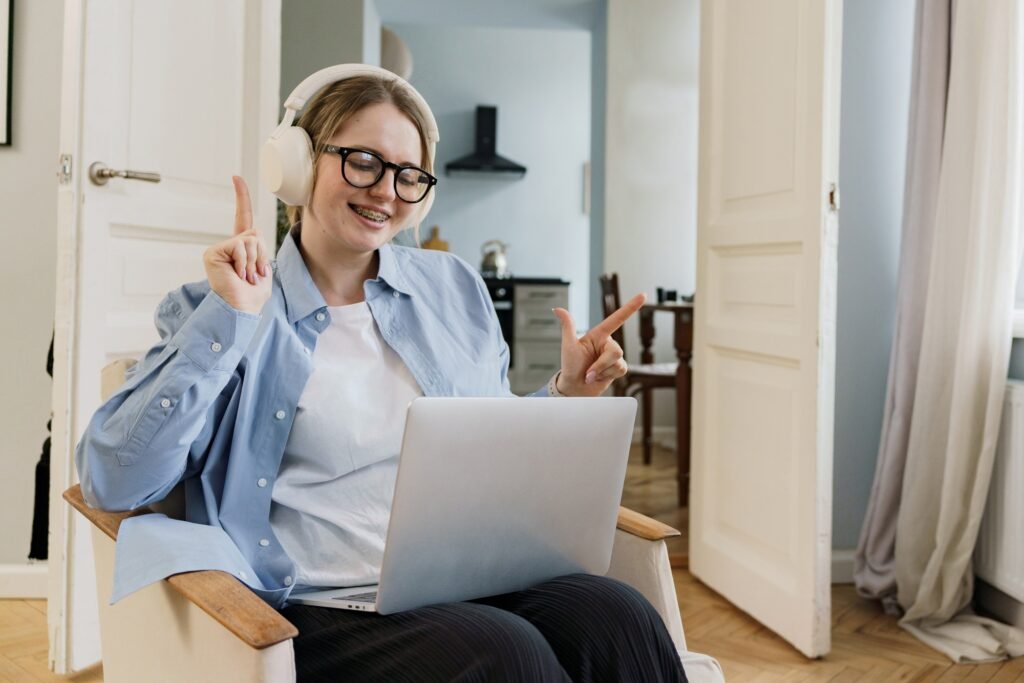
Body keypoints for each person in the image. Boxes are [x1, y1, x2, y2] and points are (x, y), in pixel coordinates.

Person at [76, 64, 687, 682]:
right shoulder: (223, 306)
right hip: (326, 603)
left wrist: (566, 393)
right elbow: (113, 482)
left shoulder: (452, 287)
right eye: (364, 160)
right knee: (506, 653)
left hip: (469, 574)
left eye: (408, 175)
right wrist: (229, 319)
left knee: (618, 614)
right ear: (297, 161)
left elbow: (493, 442)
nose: (386, 192)